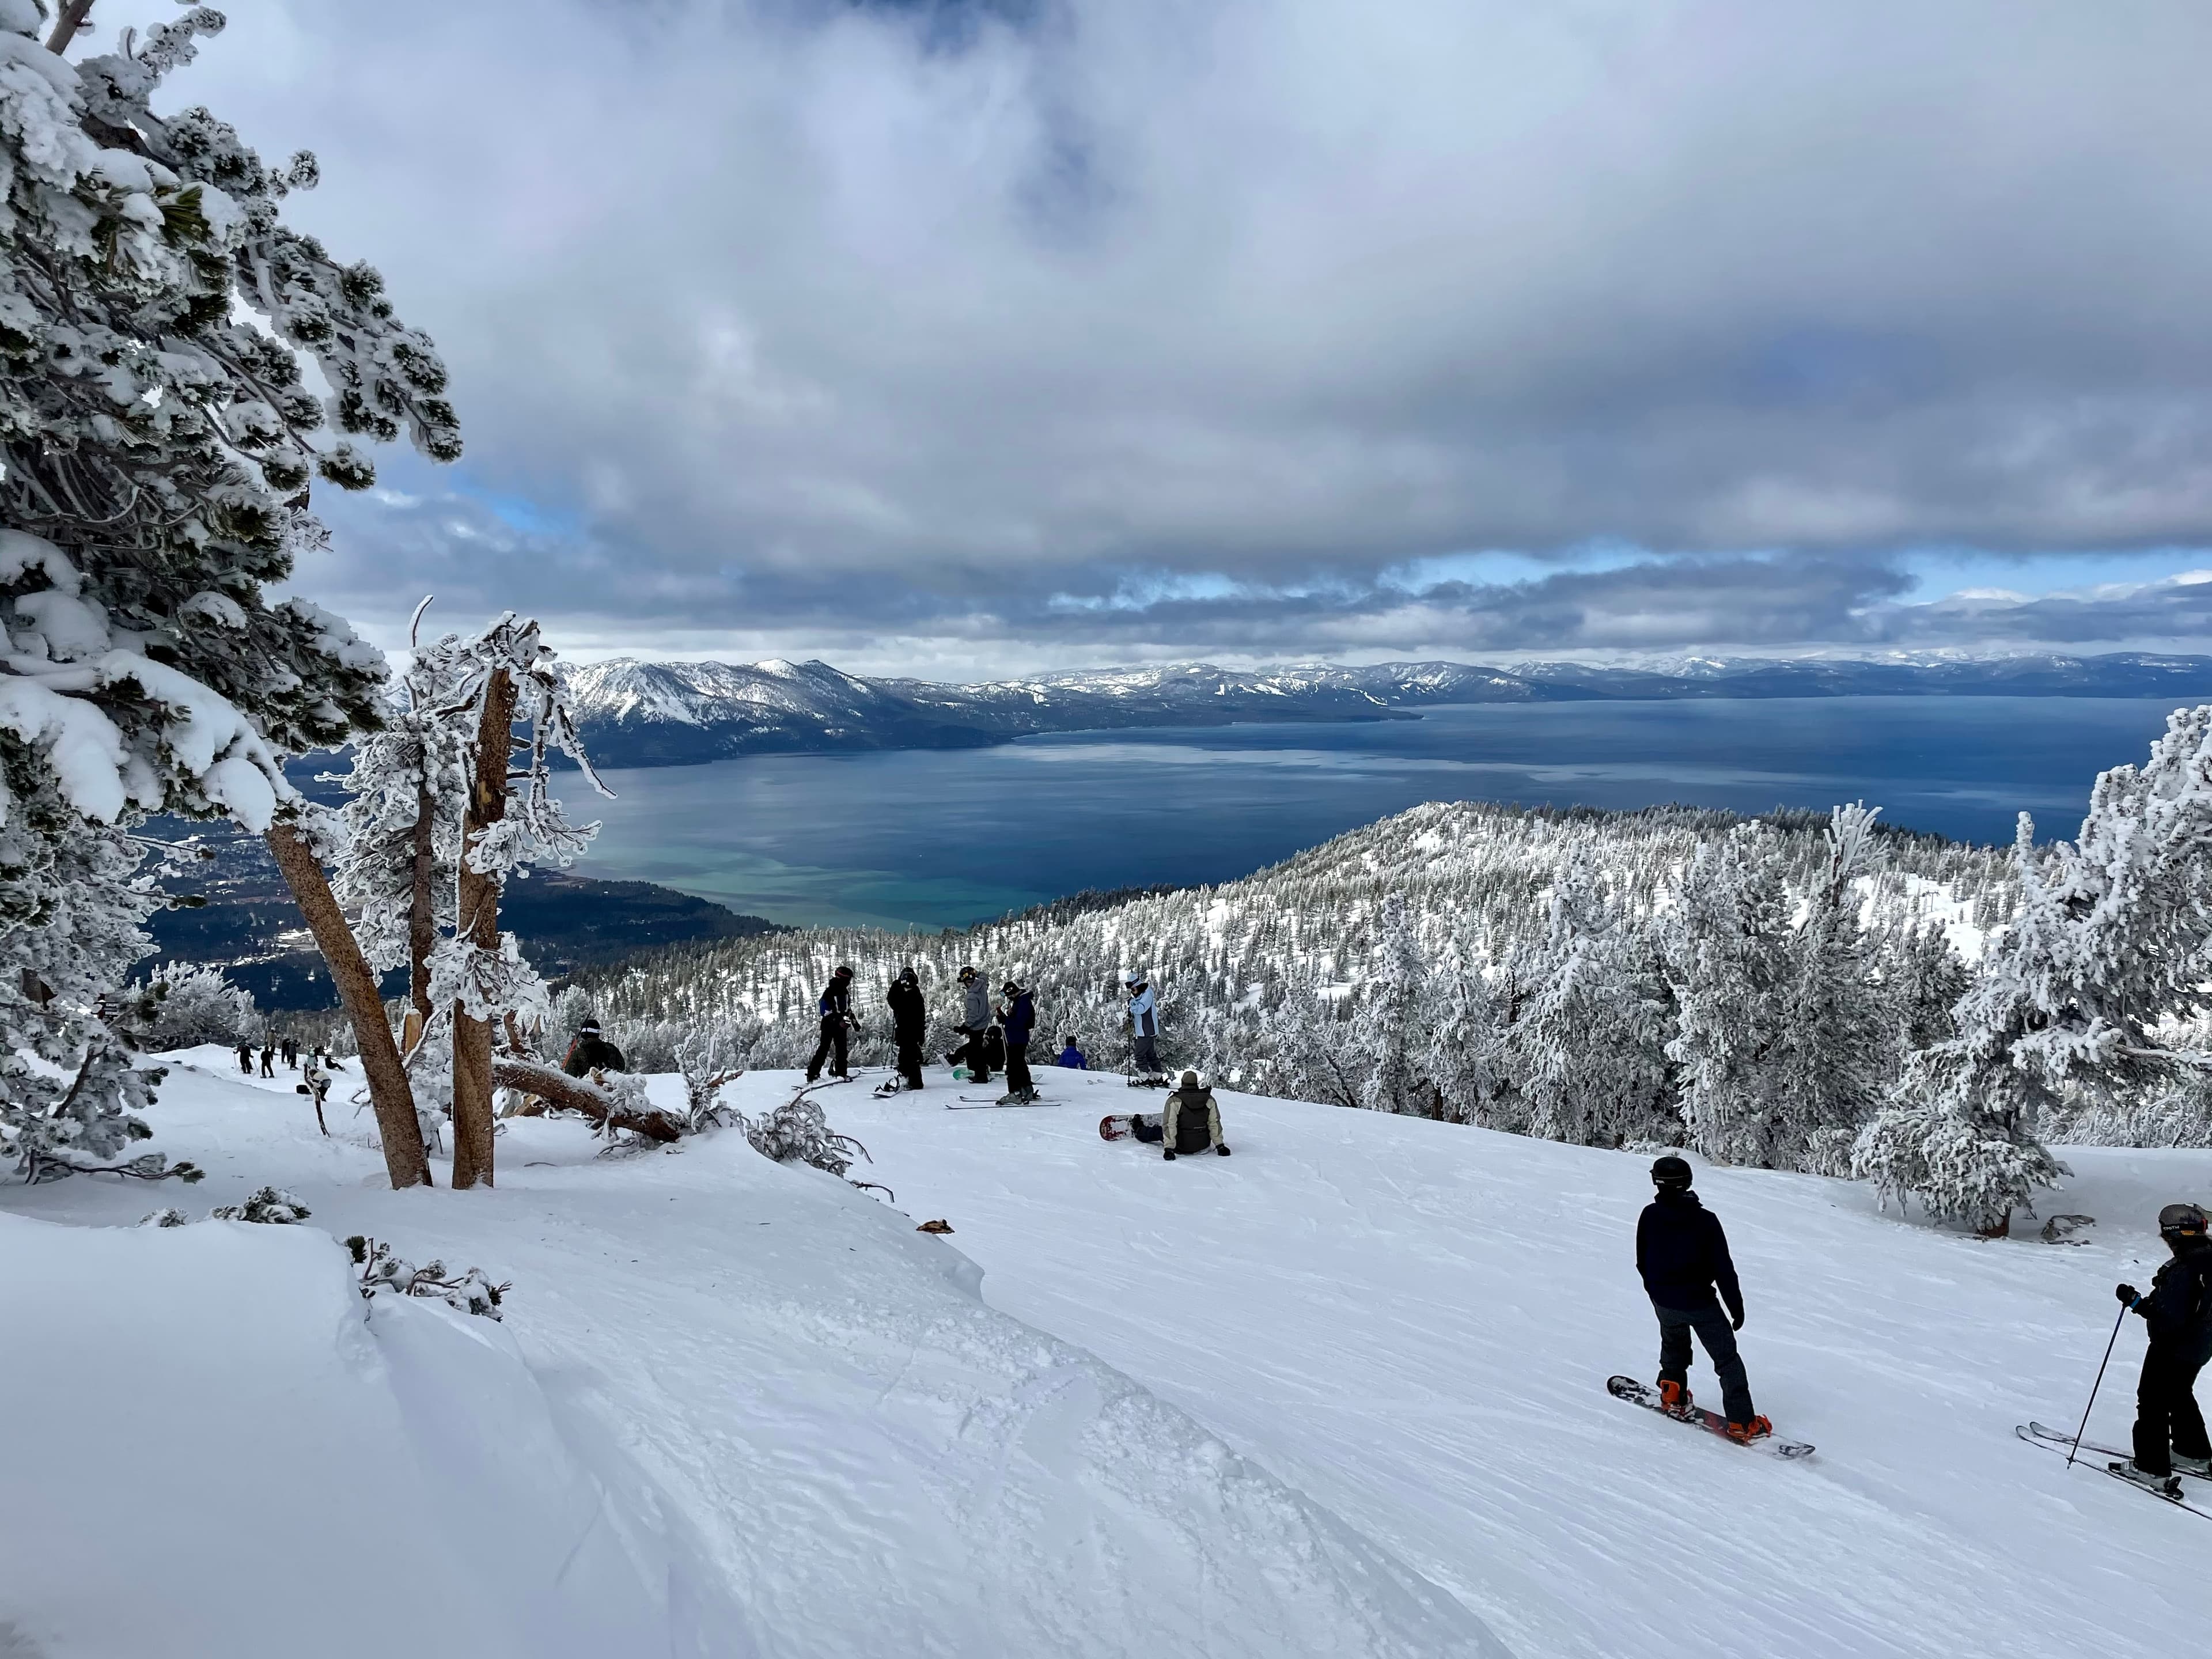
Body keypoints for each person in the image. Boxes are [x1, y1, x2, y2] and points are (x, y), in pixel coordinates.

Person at [1636, 1155, 1770, 1443]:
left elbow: (1641, 1260)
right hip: (1700, 1303)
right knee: (1727, 1360)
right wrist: (1736, 1307)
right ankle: (1742, 1422)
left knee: (1674, 1344)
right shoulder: (1705, 1221)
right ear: (1687, 1183)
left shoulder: (1649, 1214)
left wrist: (1656, 1291)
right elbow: (1724, 1269)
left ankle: (1673, 1395)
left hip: (1664, 1300)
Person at [2115, 1203, 2212, 1483]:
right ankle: (2192, 1452)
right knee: (2180, 1393)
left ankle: (2150, 1467)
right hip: (2200, 1345)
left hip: (2173, 1347)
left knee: (2153, 1401)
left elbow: (2170, 1318)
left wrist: (2136, 1303)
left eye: (2167, 1237)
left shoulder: (2185, 1269)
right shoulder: (2208, 1258)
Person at [1158, 1070, 1229, 1158]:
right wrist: (1220, 1146)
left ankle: (1138, 1128)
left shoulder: (1174, 1100)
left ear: (1182, 1083)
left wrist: (1169, 1149)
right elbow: (1214, 1123)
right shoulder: (1209, 1100)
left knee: (1159, 1130)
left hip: (1181, 1147)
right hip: (1203, 1146)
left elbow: (1170, 1125)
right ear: (1196, 1083)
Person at [806, 965, 858, 1084]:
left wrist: (854, 1022)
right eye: (848, 979)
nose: (849, 982)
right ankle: (812, 1074)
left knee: (842, 1050)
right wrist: (837, 1021)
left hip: (842, 1025)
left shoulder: (844, 992)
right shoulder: (830, 992)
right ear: (843, 978)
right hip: (829, 1025)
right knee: (824, 1049)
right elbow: (824, 1010)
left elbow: (847, 1009)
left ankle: (841, 1073)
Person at [886, 965, 927, 1092]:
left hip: (911, 1031)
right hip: (905, 1030)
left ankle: (915, 1082)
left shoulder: (915, 997)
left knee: (910, 1058)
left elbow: (921, 1017)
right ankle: (906, 1077)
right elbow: (891, 1000)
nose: (907, 988)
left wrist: (921, 1034)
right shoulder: (903, 995)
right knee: (905, 1056)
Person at [950, 965, 992, 1087]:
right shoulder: (982, 985)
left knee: (976, 1051)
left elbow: (973, 1016)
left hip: (976, 1026)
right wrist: (974, 973)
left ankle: (981, 1076)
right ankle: (979, 1071)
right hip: (984, 1021)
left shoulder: (971, 997)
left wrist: (964, 1027)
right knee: (976, 1048)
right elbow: (984, 975)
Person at [998, 979, 1037, 1104]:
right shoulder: (1019, 1001)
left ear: (1012, 992)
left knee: (1013, 1067)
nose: (1008, 998)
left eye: (1008, 995)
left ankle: (1015, 1093)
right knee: (1020, 1065)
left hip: (1018, 1039)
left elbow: (1020, 1023)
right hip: (1017, 1038)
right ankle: (1027, 1090)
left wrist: (1005, 1019)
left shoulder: (1023, 1002)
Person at [562, 1019, 626, 1078]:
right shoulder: (611, 1048)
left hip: (588, 1088)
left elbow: (570, 1076)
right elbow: (621, 1066)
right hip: (611, 1087)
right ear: (597, 1033)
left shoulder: (578, 1053)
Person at [1126, 971, 1161, 1078]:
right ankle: (1157, 1076)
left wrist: (1130, 1001)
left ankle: (1144, 1077)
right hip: (1145, 1030)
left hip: (1146, 1030)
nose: (1132, 992)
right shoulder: (1140, 995)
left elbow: (1141, 1009)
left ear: (1138, 986)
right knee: (1151, 1055)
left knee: (1139, 1055)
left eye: (1133, 989)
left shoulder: (1147, 994)